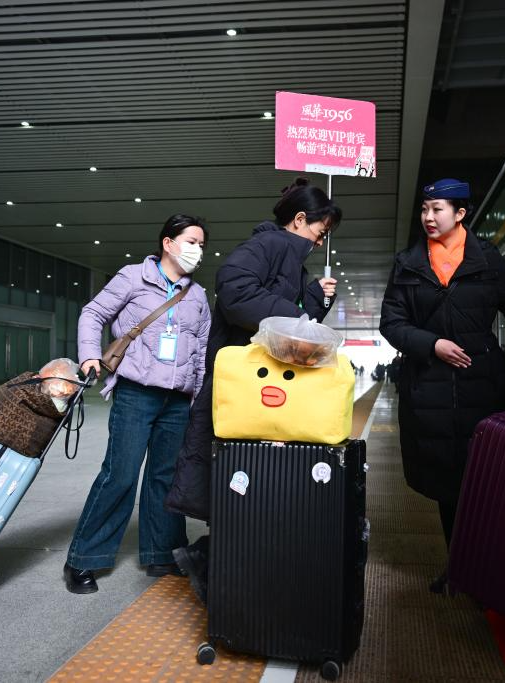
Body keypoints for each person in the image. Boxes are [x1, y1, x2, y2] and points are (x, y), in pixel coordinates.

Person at [166, 177, 340, 602]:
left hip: (261, 390)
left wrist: (315, 299)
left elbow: (292, 330)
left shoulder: (291, 260)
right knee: (239, 477)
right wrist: (296, 310)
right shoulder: (269, 244)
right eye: (320, 232)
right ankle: (216, 568)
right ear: (300, 219)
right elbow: (236, 290)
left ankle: (219, 566)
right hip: (245, 388)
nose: (320, 242)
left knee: (249, 481)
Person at [379, 178, 505, 592]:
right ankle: (459, 568)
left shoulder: (487, 260)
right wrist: (432, 344)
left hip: (483, 388)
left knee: (487, 482)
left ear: (460, 213)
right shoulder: (408, 264)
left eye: (437, 209)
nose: (428, 217)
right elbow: (392, 323)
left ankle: (490, 567)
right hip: (429, 391)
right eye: (424, 209)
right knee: (447, 485)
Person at [63, 214, 212, 594]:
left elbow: (201, 351)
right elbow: (93, 313)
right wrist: (89, 355)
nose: (197, 250)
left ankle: (162, 553)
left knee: (166, 478)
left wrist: (197, 396)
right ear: (168, 243)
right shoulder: (134, 277)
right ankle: (84, 559)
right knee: (121, 474)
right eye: (191, 241)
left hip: (178, 401)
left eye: (201, 245)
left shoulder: (197, 295)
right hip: (136, 393)